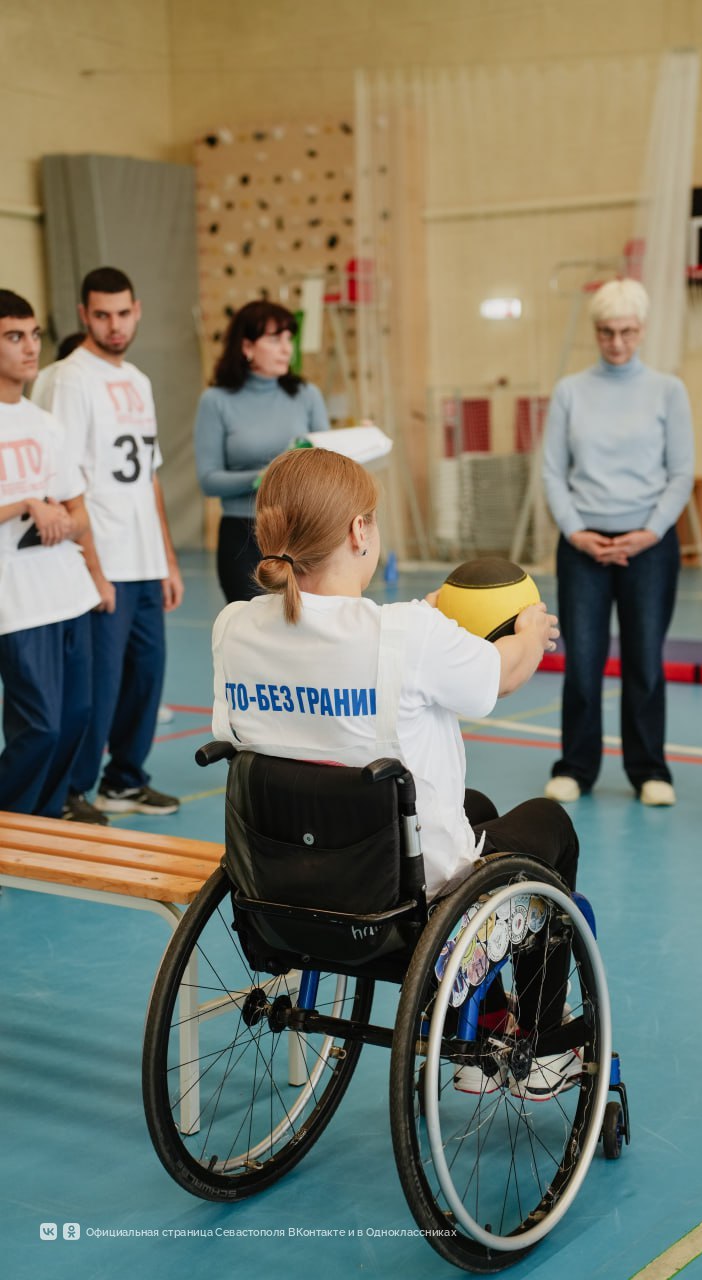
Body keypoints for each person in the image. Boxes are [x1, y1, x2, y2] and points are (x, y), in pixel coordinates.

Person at [211, 447, 580, 1098]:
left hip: (279, 890)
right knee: (549, 825)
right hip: (404, 902)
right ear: (358, 531)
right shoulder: (406, 636)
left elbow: (336, 646)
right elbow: (506, 670)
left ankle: (485, 1020)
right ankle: (539, 1044)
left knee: (478, 803)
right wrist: (529, 627)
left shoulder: (234, 626)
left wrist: (423, 613)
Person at [32, 266, 184, 820]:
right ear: (83, 315)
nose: (114, 325)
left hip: (143, 560)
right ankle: (73, 789)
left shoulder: (139, 381)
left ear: (137, 310)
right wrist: (89, 568)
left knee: (146, 677)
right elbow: (62, 482)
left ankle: (125, 780)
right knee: (95, 688)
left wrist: (167, 558)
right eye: (102, 315)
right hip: (101, 559)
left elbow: (150, 476)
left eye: (123, 314)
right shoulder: (69, 379)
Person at [541, 278, 695, 807]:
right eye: (606, 332)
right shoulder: (570, 391)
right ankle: (576, 767)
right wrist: (576, 531)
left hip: (648, 545)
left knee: (644, 660)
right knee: (582, 661)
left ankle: (650, 769)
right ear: (595, 332)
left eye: (627, 331)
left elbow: (681, 472)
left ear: (642, 330)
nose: (617, 342)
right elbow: (552, 471)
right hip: (583, 544)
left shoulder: (668, 390)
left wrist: (649, 532)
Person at [0, 290, 100, 819]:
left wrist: (64, 518)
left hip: (67, 591)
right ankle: (10, 825)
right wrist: (27, 503)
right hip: (16, 601)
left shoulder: (45, 424)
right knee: (38, 725)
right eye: (14, 336)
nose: (29, 347)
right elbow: (38, 503)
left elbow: (80, 512)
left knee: (77, 716)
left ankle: (42, 822)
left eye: (34, 334)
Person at [194, 300, 330, 603]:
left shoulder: (307, 395)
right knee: (253, 635)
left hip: (302, 533)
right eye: (274, 339)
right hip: (242, 535)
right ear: (247, 347)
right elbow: (208, 479)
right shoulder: (215, 401)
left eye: (288, 340)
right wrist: (264, 476)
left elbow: (327, 465)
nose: (286, 349)